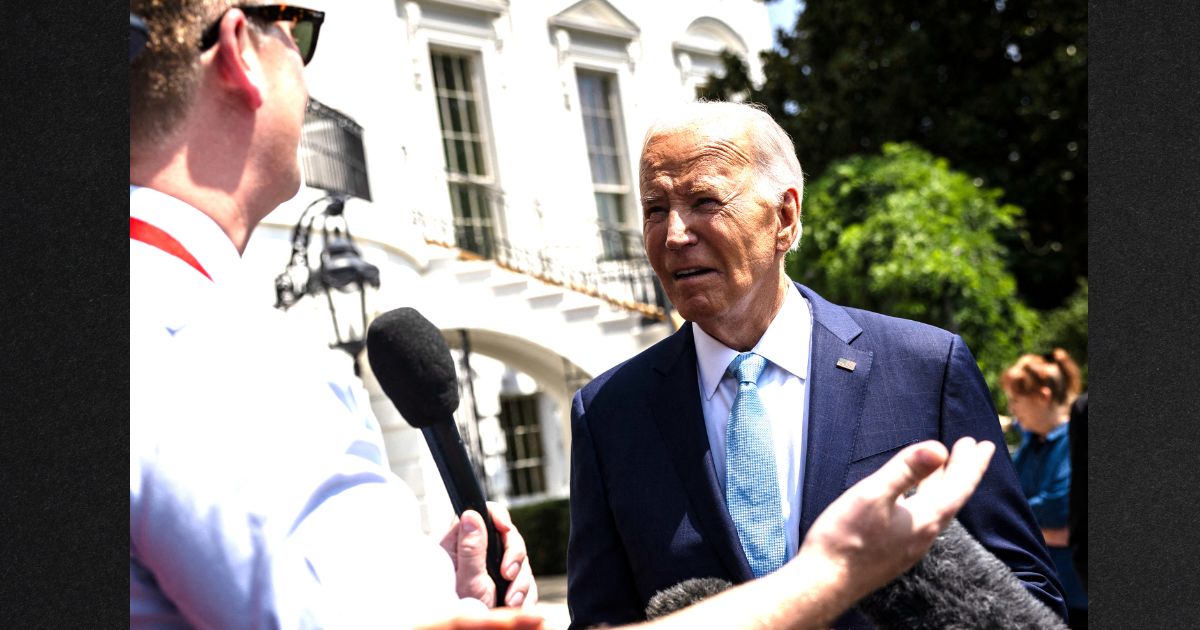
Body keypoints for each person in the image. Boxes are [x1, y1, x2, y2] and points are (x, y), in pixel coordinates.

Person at [567, 101, 1068, 630]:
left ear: (784, 217)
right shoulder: (608, 414)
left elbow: (1029, 601)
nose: (673, 235)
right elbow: (600, 619)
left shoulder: (924, 368)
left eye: (704, 201)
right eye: (655, 209)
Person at [129, 2, 537, 626]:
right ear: (241, 48)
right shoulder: (216, 351)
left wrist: (430, 588)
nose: (305, 67)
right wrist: (744, 612)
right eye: (299, 31)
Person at [1002, 350, 1089, 628]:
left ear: (1043, 397)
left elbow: (1059, 508)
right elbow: (1008, 494)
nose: (1013, 409)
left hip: (1076, 595)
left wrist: (1010, 520)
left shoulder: (1073, 441)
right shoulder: (1032, 441)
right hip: (1039, 590)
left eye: (1016, 400)